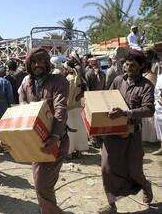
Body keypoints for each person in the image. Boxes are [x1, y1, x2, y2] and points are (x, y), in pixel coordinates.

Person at [98, 50, 154, 214]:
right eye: (127, 64)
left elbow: (149, 109)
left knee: (134, 170)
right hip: (112, 133)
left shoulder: (146, 86)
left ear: (142, 66)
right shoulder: (117, 80)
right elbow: (106, 99)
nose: (129, 67)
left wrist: (126, 113)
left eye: (133, 65)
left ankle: (145, 185)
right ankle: (111, 204)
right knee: (107, 168)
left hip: (132, 135)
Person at [15, 48, 69, 214]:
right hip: (35, 142)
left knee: (42, 184)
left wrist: (55, 135)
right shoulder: (25, 82)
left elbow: (60, 108)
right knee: (42, 183)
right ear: (29, 64)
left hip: (55, 141)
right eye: (34, 61)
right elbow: (21, 110)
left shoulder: (59, 80)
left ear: (47, 63)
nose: (37, 65)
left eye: (41, 61)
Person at [51, 57, 88, 158]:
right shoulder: (79, 78)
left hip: (69, 108)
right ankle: (79, 151)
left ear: (67, 69)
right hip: (78, 107)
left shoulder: (68, 79)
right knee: (79, 129)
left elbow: (67, 97)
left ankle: (69, 152)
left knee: (70, 131)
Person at [153, 73, 162, 155]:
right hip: (159, 108)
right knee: (159, 129)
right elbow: (156, 92)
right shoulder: (159, 77)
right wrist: (157, 102)